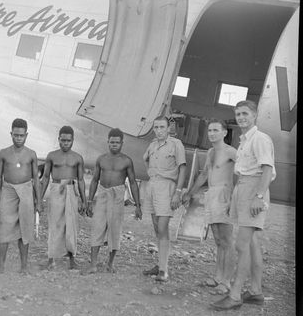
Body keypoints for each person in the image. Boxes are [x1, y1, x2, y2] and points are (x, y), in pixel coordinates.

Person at [211, 100, 276, 310]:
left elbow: (267, 169)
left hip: (254, 188)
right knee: (253, 243)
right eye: (238, 114)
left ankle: (236, 294)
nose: (241, 118)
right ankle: (255, 291)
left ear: (255, 115)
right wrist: (236, 197)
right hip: (244, 188)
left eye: (245, 114)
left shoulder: (260, 139)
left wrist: (258, 196)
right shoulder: (245, 140)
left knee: (241, 245)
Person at [182, 119, 237, 295]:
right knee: (219, 241)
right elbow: (205, 174)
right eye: (210, 130)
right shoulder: (211, 152)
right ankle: (218, 277)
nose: (212, 133)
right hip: (212, 195)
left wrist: (235, 197)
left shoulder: (231, 152)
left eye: (215, 130)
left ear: (224, 133)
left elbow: (244, 171)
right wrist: (190, 193)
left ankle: (227, 281)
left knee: (227, 241)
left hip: (225, 196)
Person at [83, 128, 142, 274]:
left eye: (117, 142)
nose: (114, 145)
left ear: (122, 143)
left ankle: (110, 263)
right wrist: (90, 201)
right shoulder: (101, 159)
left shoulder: (126, 161)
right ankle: (93, 264)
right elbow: (95, 180)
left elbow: (133, 182)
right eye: (112, 142)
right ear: (107, 142)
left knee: (115, 230)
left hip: (117, 195)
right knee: (97, 227)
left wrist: (138, 205)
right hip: (103, 193)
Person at [0, 118, 41, 274]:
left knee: (25, 229)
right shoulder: (4, 153)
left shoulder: (31, 154)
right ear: (11, 134)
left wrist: (38, 201)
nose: (18, 138)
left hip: (26, 190)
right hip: (8, 190)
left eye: (21, 135)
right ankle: (0, 267)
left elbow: (36, 180)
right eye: (16, 135)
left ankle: (24, 266)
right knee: (5, 226)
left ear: (26, 135)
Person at [142, 115, 187, 282]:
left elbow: (182, 168)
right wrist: (150, 172)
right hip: (152, 185)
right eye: (156, 127)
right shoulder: (152, 145)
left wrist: (178, 191)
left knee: (162, 227)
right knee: (156, 226)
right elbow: (145, 159)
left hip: (167, 187)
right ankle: (160, 264)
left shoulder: (176, 144)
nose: (159, 130)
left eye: (162, 127)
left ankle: (164, 271)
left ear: (169, 128)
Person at [40, 126, 86, 270]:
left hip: (71, 190)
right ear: (58, 139)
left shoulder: (77, 157)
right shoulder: (52, 156)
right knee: (55, 223)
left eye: (68, 141)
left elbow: (81, 179)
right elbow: (46, 177)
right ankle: (51, 258)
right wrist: (39, 199)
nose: (65, 143)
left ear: (73, 140)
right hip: (56, 189)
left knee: (71, 225)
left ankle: (72, 259)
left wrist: (84, 200)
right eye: (63, 140)